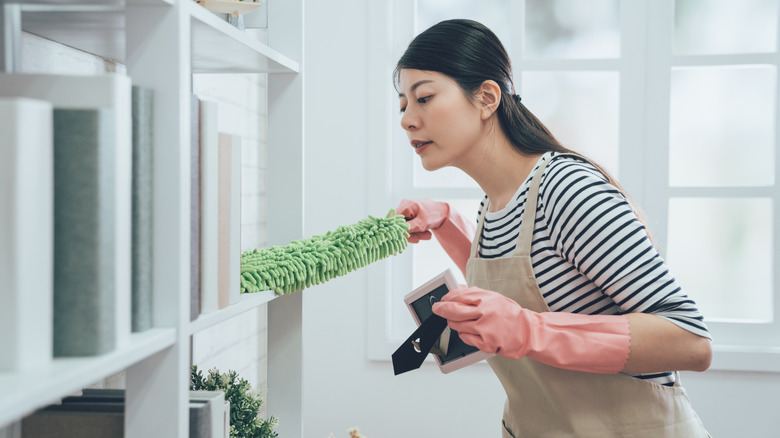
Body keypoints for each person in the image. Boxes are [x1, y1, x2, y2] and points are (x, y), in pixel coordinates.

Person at [394, 19, 712, 437]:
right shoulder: (494, 202)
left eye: (425, 98)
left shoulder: (566, 189)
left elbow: (690, 340)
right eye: (402, 105)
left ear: (487, 97)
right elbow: (539, 283)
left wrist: (526, 330)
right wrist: (447, 223)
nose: (407, 121)